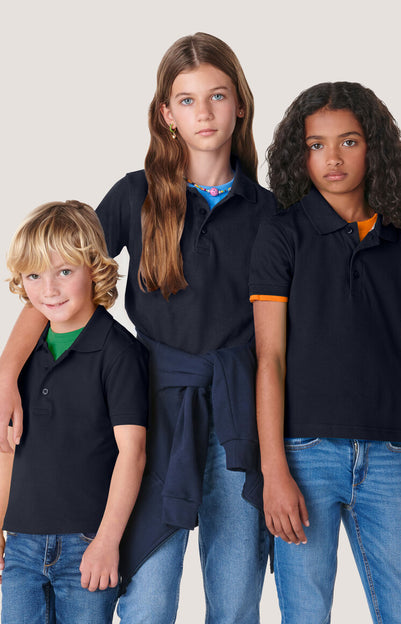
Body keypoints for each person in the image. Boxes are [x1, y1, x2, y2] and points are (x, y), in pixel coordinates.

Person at [0, 33, 276, 623]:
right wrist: (5, 376)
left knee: (236, 600)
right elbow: (54, 279)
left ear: (240, 103)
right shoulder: (135, 195)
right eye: (186, 100)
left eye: (217, 95)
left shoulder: (269, 213)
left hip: (240, 418)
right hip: (151, 413)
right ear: (166, 113)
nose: (203, 112)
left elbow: (286, 339)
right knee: (147, 601)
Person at [249, 81, 401, 623]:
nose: (333, 158)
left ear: (374, 148)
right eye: (316, 145)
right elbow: (269, 359)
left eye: (349, 141)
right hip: (305, 454)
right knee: (305, 613)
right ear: (301, 156)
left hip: (389, 455)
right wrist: (274, 469)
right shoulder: (282, 235)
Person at [0, 201, 148, 624]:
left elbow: (133, 453)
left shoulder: (119, 353)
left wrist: (107, 541)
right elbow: (6, 449)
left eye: (64, 271)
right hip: (21, 545)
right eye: (34, 275)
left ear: (94, 269)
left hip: (87, 546)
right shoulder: (22, 356)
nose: (48, 289)